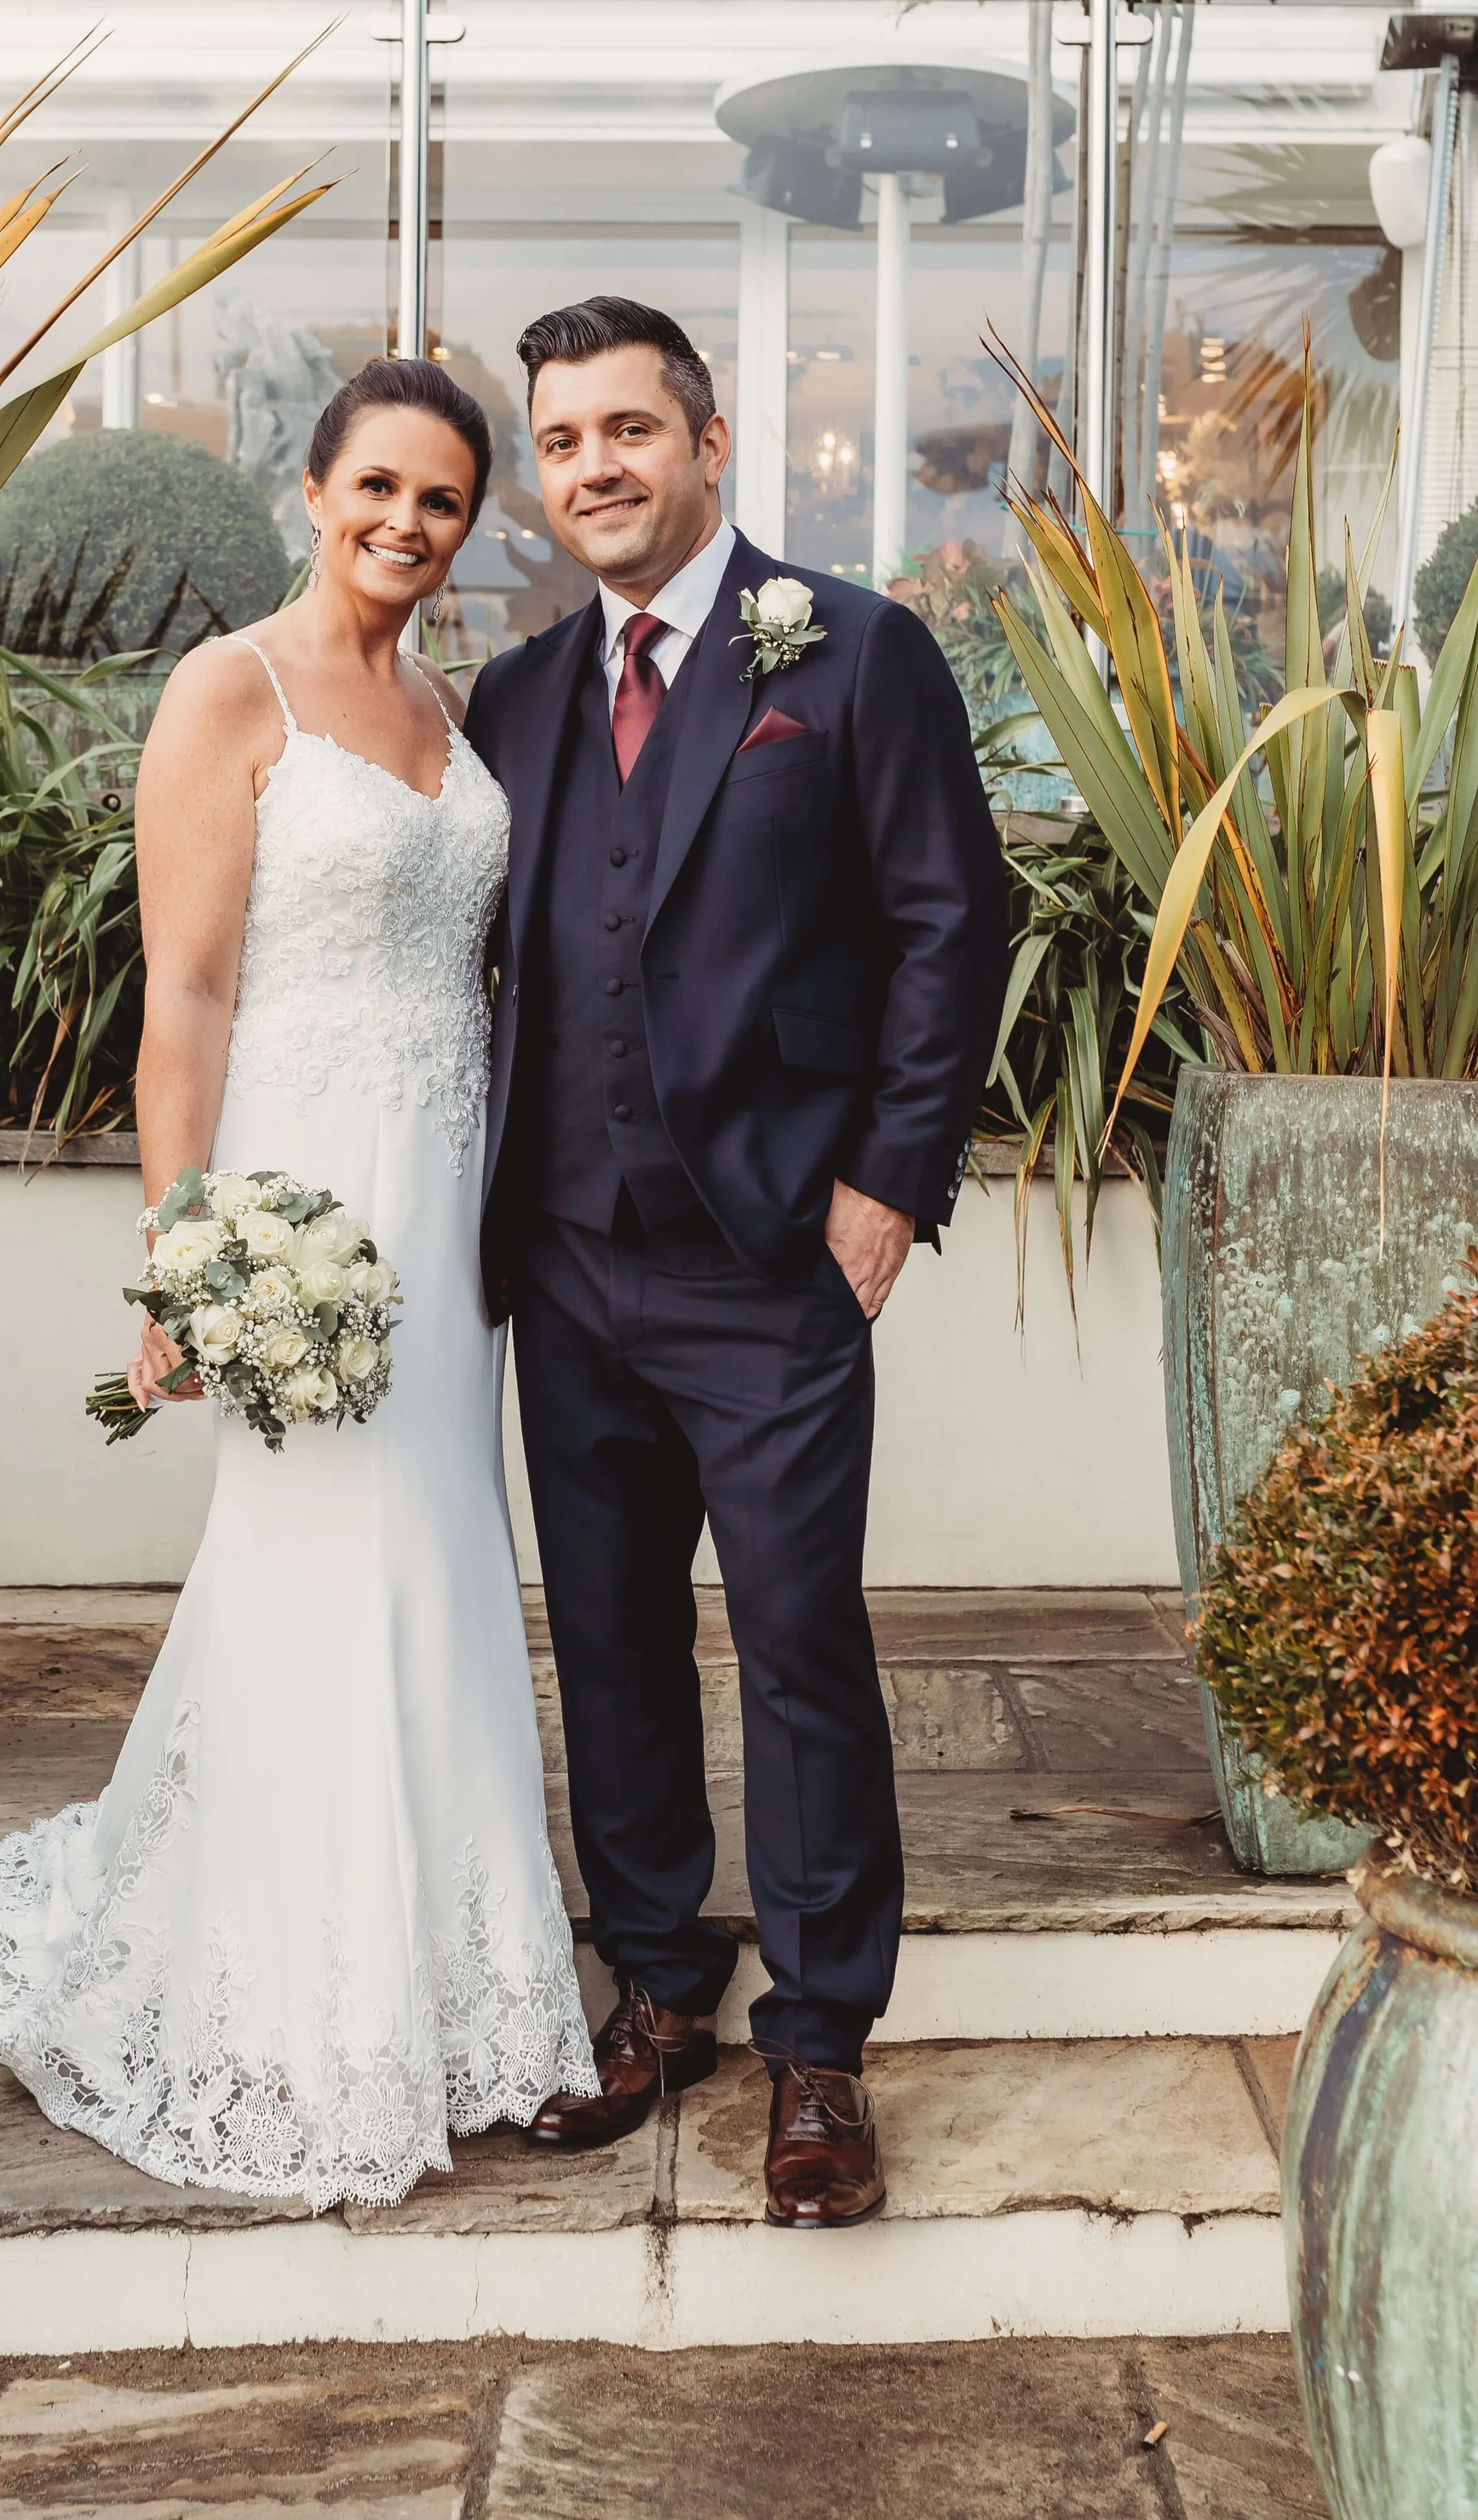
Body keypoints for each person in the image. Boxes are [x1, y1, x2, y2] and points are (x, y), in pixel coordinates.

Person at [0, 357, 596, 2213]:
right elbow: (188, 999)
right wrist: (188, 1258)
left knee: (444, 1558)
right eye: (377, 485)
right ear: (312, 488)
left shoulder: (448, 708)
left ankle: (462, 1989)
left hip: (446, 1201)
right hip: (303, 1198)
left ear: (470, 528)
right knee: (319, 1560)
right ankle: (309, 2011)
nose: (406, 522)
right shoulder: (225, 688)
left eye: (444, 501)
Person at [464, 297, 1008, 2226]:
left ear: (704, 444)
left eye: (627, 428)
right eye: (560, 440)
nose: (593, 466)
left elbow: (954, 922)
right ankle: (659, 1989)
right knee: (604, 1641)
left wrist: (884, 1182)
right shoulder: (515, 698)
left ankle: (821, 2043)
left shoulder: (848, 652)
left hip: (772, 1259)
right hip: (567, 1261)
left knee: (796, 1647)